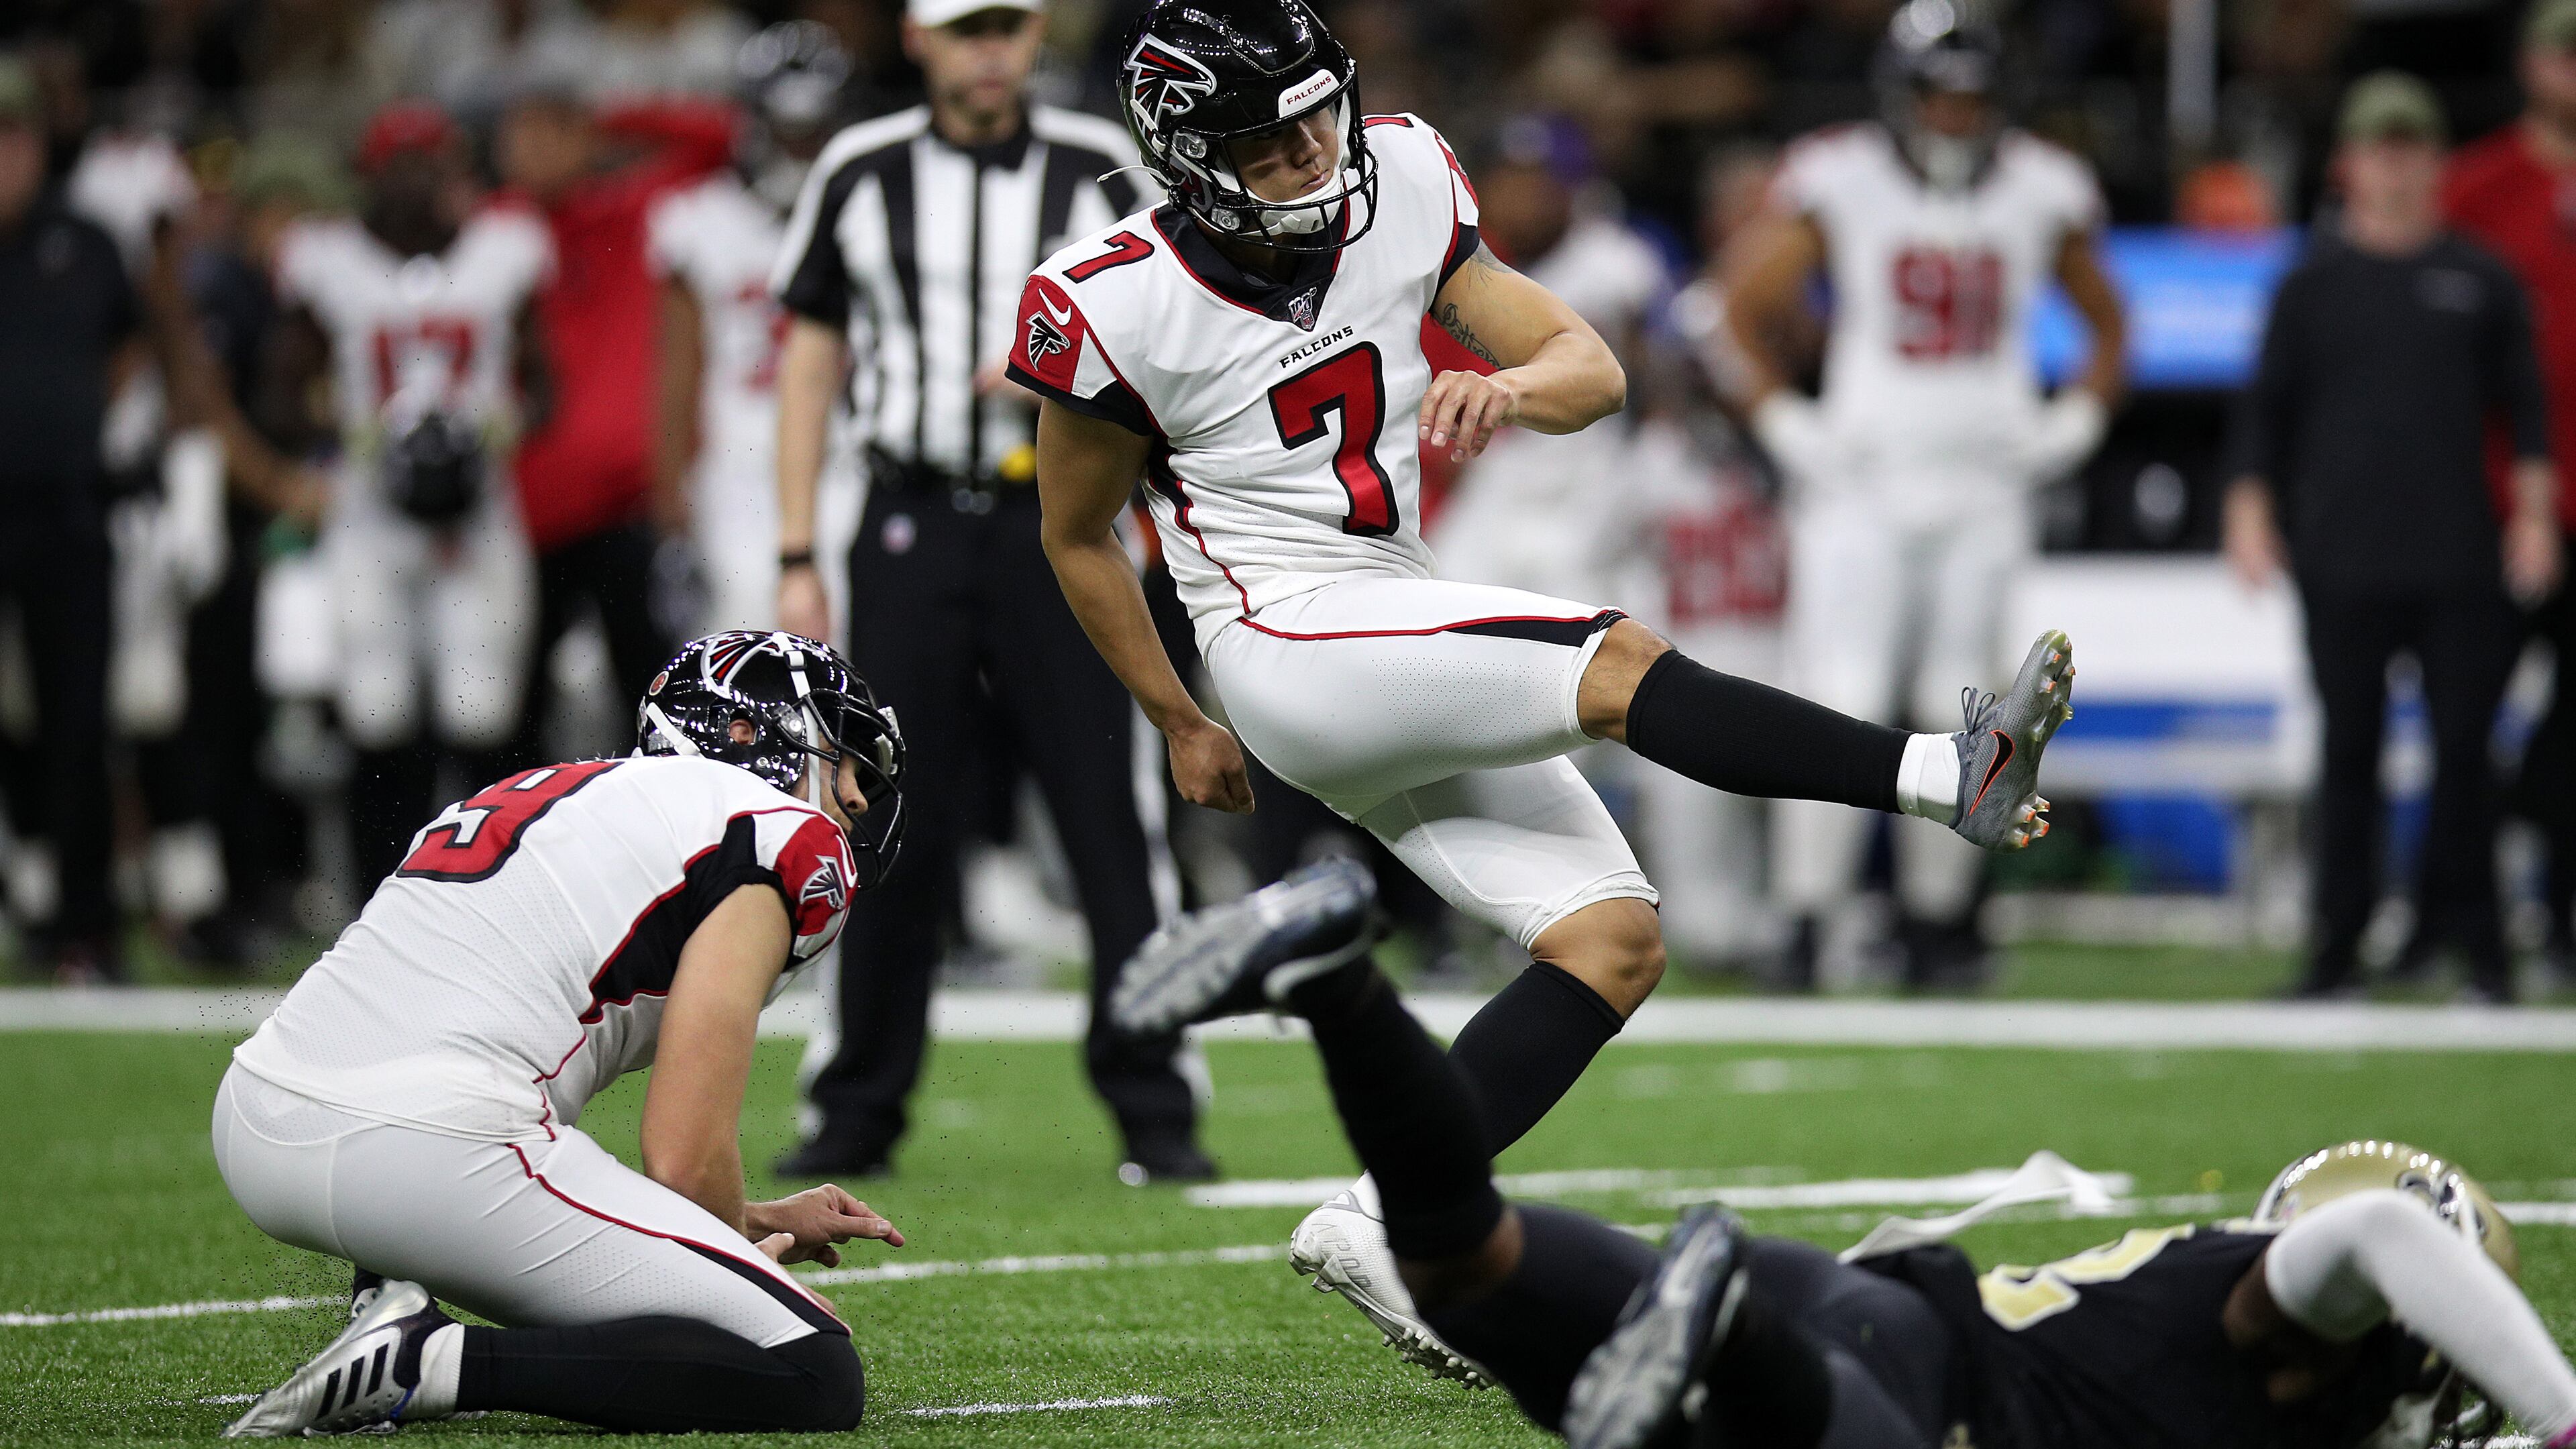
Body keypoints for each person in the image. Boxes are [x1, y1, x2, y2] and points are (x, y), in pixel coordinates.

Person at [1016, 0, 2074, 1382]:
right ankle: (1947, 777)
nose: (1315, 154)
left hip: (1395, 603)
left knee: (1613, 942)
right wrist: (1177, 714)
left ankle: (1383, 1222)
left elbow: (1592, 365)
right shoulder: (1110, 297)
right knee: (1617, 662)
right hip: (1287, 637)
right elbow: (1076, 535)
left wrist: (1508, 392)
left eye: (1320, 115)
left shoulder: (1398, 172)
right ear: (1192, 156)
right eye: (1271, 145)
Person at [1112, 861, 2576, 1449]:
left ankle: (1333, 981)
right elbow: (2388, 1241)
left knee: (1457, 1256)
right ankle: (1724, 1329)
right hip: (1899, 1382)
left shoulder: (2254, 1314)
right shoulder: (2291, 1322)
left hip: (1850, 1312)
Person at [213, 629, 906, 1438]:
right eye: (843, 756)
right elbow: (681, 1156)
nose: (856, 796)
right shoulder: (779, 834)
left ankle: (385, 1296)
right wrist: (738, 1275)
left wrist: (745, 1220)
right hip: (426, 1151)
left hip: (258, 1122)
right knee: (811, 1368)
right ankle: (429, 1361)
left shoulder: (553, 787)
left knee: (487, 1063)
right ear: (749, 734)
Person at [770, 0, 1211, 1183]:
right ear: (919, 39)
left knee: (1108, 809)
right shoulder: (861, 171)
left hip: (1059, 522)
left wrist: (1061, 377)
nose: (988, 51)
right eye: (966, 29)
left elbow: (1180, 334)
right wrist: (797, 548)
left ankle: (1156, 1106)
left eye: (1008, 27)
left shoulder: (1101, 171)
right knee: (882, 812)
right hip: (907, 514)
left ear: (1036, 37)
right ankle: (856, 1107)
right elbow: (810, 360)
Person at [1724, 0, 2128, 989]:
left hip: (1983, 485)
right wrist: (1788, 424)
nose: (1955, 117)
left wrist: (2073, 423)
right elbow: (1737, 311)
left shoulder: (2043, 188)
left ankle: (1942, 925)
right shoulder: (1840, 179)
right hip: (1863, 483)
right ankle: (1810, 921)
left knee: (1967, 702)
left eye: (1973, 98)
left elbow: (2113, 329)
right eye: (1940, 98)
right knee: (1843, 696)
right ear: (1902, 99)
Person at [2226, 72, 2561, 1003]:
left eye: (2414, 150)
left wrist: (2533, 520)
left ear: (2436, 165)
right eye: (2382, 150)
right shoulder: (2312, 283)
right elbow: (2265, 414)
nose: (2398, 168)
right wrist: (2250, 515)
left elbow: (2525, 414)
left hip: (2459, 553)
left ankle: (2477, 947)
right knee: (2348, 754)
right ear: (2349, 165)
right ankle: (2339, 948)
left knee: (2465, 755)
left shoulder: (2480, 277)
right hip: (2342, 551)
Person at [262, 101, 553, 890]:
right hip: (371, 516)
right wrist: (356, 437)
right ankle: (376, 899)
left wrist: (488, 431)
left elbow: (543, 383)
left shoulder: (506, 253)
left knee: (483, 713)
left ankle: (491, 899)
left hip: (478, 514)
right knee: (376, 711)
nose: (427, 185)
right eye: (409, 166)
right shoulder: (329, 261)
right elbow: (282, 390)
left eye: (439, 165)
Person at [500, 84, 736, 762]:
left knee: (653, 705)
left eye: (555, 131)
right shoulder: (494, 231)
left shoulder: (632, 213)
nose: (537, 148)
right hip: (527, 513)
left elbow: (718, 138)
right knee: (508, 716)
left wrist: (604, 116)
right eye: (524, 133)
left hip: (626, 507)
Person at [0, 54, 144, 981]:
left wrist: (99, 439)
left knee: (78, 720)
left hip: (64, 511)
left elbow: (131, 348)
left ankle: (84, 926)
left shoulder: (85, 238)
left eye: (13, 133)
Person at [2445, 0, 2576, 984]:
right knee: (2463, 721)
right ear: (2533, 62)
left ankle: (2556, 916)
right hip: (2492, 504)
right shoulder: (2476, 187)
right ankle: (2451, 925)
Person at [652, 21, 851, 637]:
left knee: (843, 640)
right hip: (737, 462)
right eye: (787, 131)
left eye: (811, 132)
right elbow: (677, 367)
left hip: (845, 456)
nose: (797, 149)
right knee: (737, 630)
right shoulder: (698, 221)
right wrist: (668, 487)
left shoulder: (867, 215)